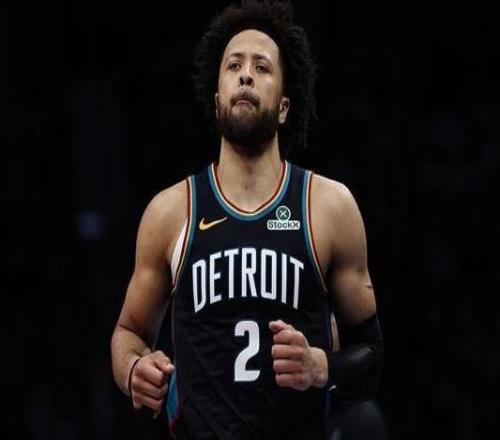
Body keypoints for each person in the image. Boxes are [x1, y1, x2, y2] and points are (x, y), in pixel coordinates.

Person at [110, 1, 384, 439]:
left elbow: (372, 357)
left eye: (262, 67)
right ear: (217, 98)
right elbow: (128, 332)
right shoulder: (170, 211)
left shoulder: (328, 207)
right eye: (234, 65)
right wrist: (133, 369)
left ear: (284, 107)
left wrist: (321, 367)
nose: (245, 76)